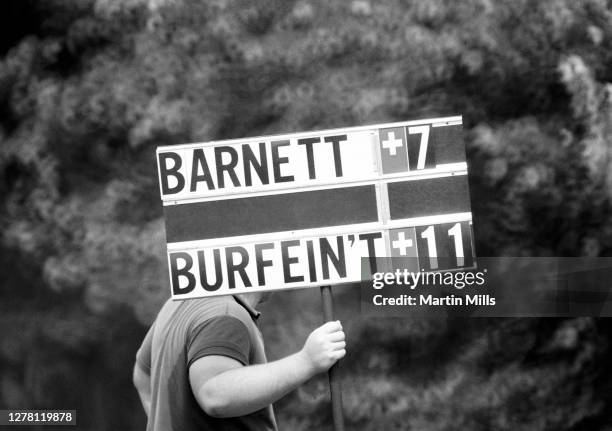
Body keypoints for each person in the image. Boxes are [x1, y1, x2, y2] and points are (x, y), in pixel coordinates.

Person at [133, 291, 346, 431]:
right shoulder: (225, 313)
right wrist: (306, 361)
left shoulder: (179, 301)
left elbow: (143, 375)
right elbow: (215, 394)